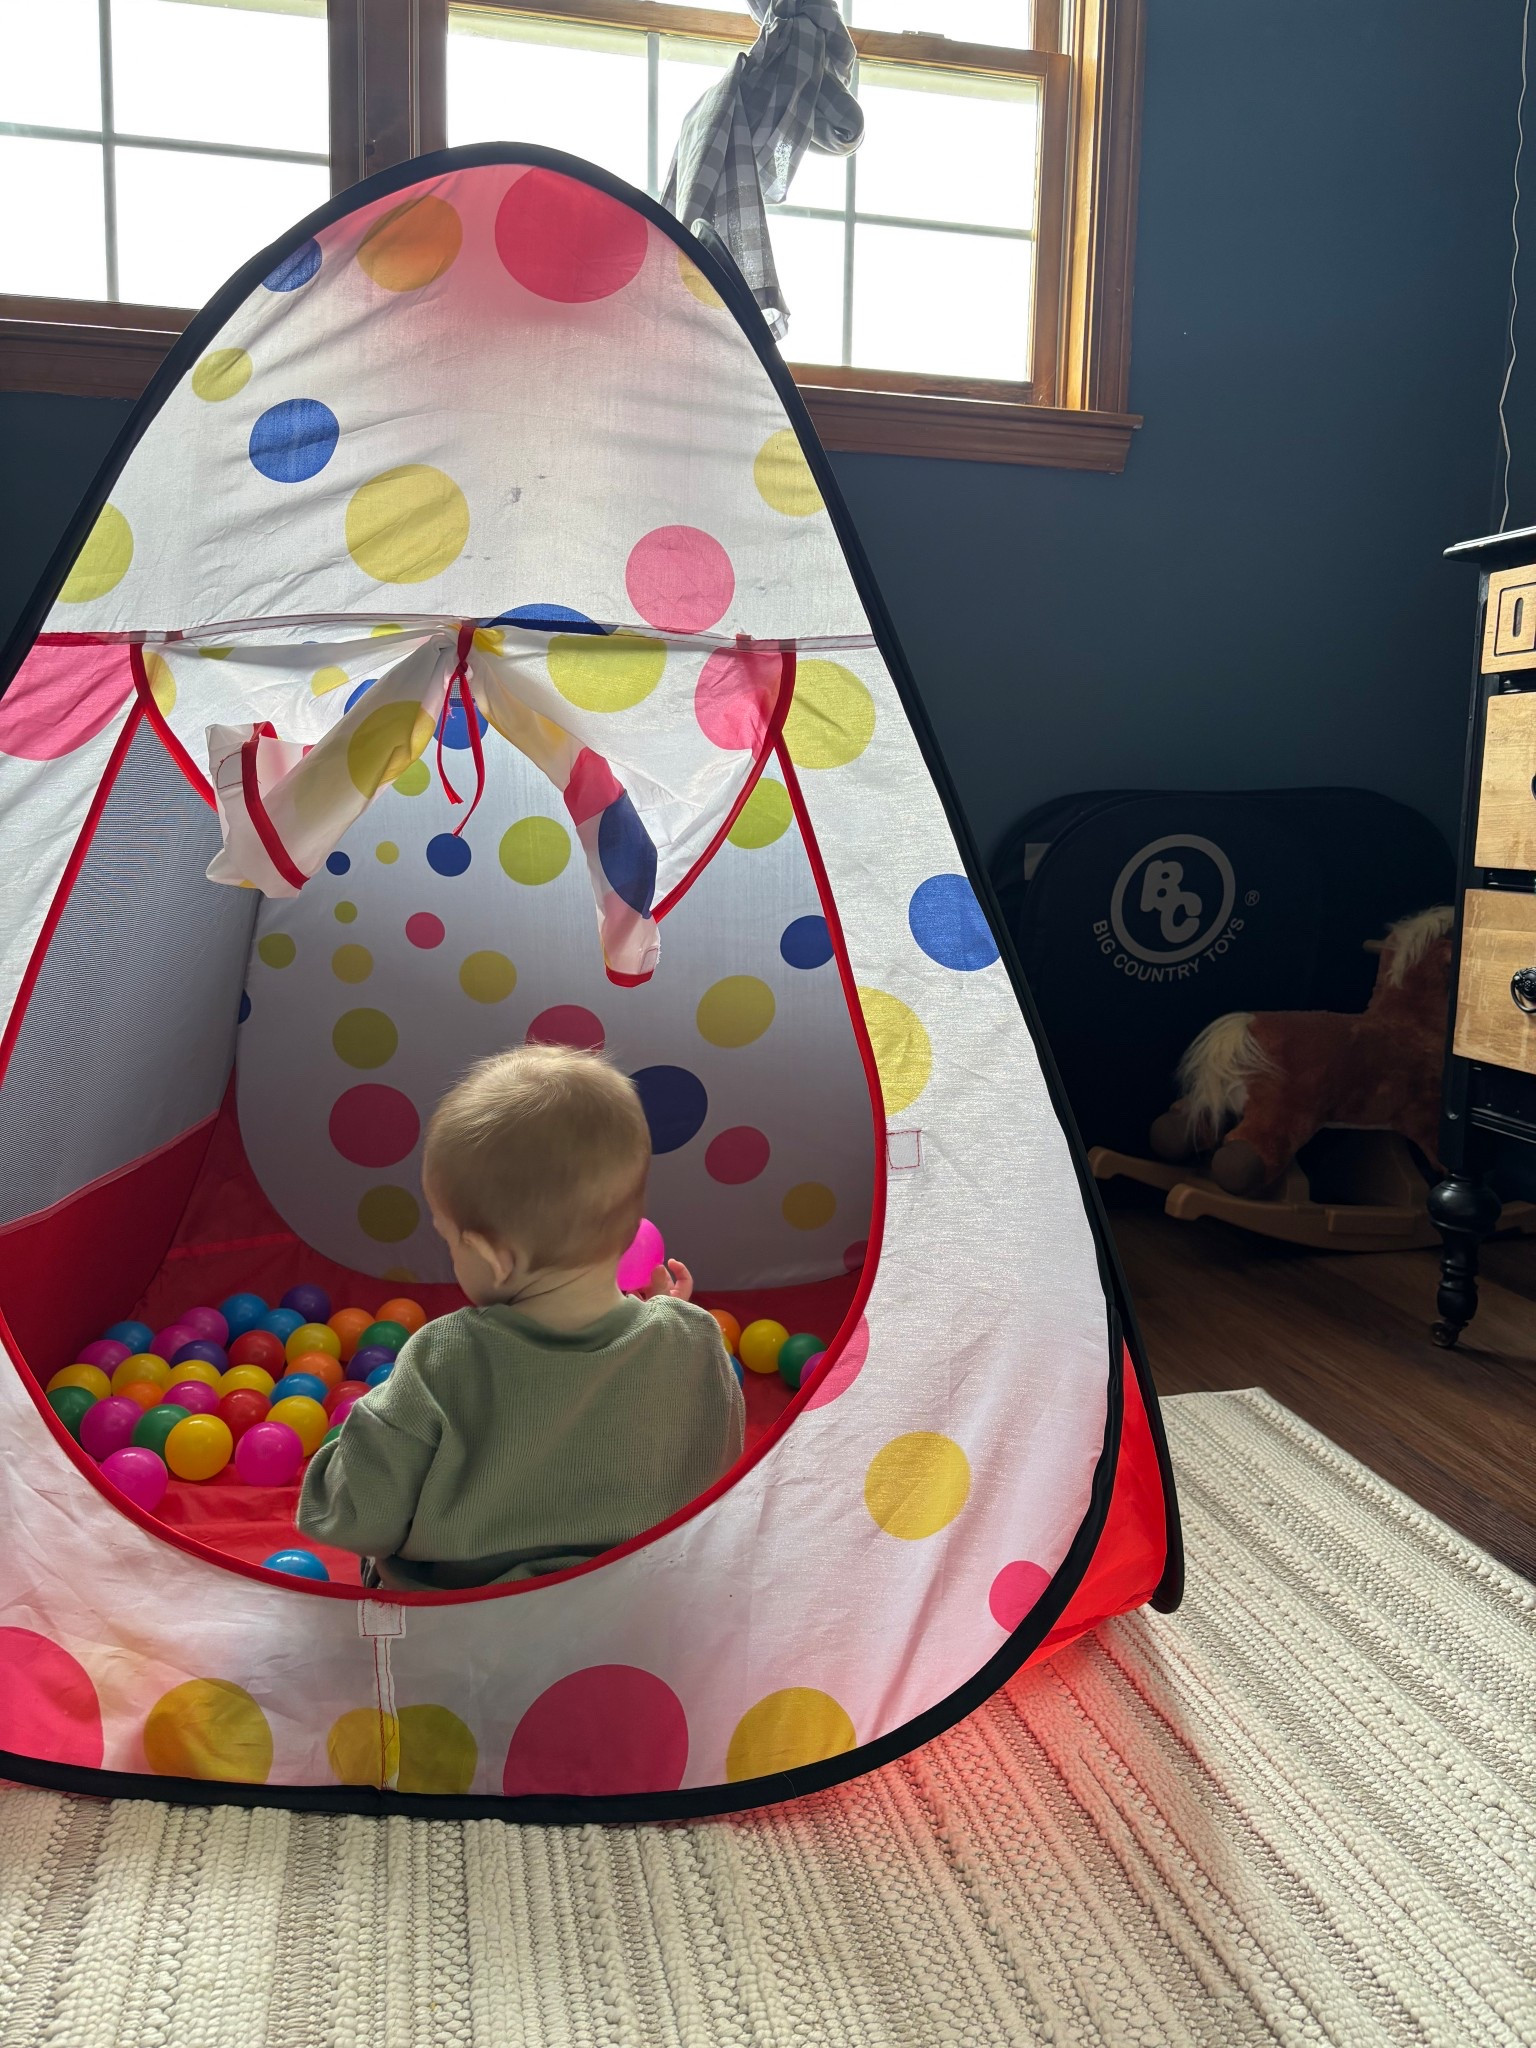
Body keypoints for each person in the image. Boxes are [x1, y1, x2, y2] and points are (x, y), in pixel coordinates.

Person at [297, 1045, 744, 1590]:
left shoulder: (444, 1357)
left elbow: (359, 1519)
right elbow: (716, 1481)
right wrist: (671, 1324)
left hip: (471, 1630)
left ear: (492, 1258)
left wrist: (357, 1442)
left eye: (448, 1240)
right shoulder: (695, 1338)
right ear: (635, 1234)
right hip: (639, 1616)